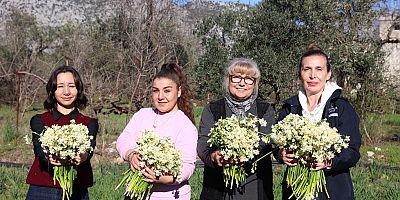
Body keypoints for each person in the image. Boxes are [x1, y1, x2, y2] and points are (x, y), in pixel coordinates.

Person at [279, 44, 361, 200]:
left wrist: (328, 161)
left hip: (334, 191)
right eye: (307, 69)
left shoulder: (342, 107)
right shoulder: (289, 107)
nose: (312, 76)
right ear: (300, 74)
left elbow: (352, 152)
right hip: (295, 191)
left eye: (319, 69)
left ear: (328, 74)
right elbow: (278, 144)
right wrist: (281, 154)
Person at [197, 58, 276, 200]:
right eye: (236, 78)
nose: (242, 83)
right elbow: (203, 143)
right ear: (228, 80)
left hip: (255, 185)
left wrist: (244, 153)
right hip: (218, 188)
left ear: (255, 83)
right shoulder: (213, 109)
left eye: (248, 79)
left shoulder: (265, 110)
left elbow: (268, 142)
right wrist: (215, 157)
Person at [116, 63, 198, 200]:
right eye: (155, 91)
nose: (160, 96)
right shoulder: (143, 115)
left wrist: (162, 178)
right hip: (135, 194)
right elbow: (123, 139)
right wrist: (131, 155)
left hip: (170, 196)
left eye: (167, 91)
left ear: (178, 92)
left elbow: (187, 166)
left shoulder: (186, 126)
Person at [26, 65, 99, 200]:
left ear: (78, 89)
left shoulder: (89, 123)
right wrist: (48, 156)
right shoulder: (39, 120)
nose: (66, 92)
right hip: (43, 190)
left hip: (76, 190)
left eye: (71, 86)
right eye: (60, 86)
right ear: (52, 90)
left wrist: (83, 156)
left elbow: (90, 148)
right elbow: (38, 148)